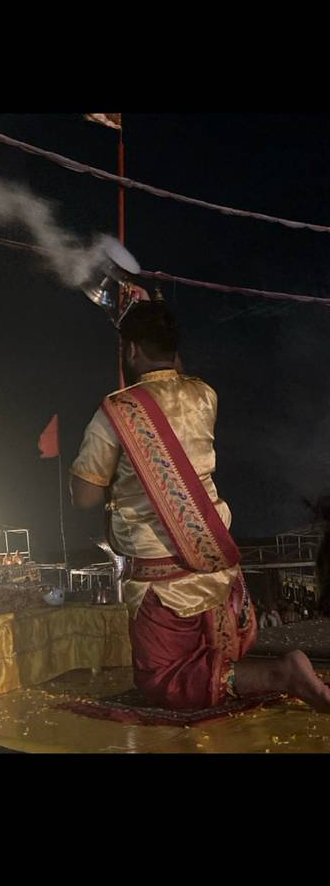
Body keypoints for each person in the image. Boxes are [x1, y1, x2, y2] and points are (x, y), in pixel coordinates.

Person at [70, 298, 330, 712]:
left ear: (131, 350)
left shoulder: (116, 412)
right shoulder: (204, 394)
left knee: (163, 680)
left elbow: (84, 496)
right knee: (213, 665)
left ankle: (283, 673)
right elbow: (173, 382)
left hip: (162, 580)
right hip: (217, 565)